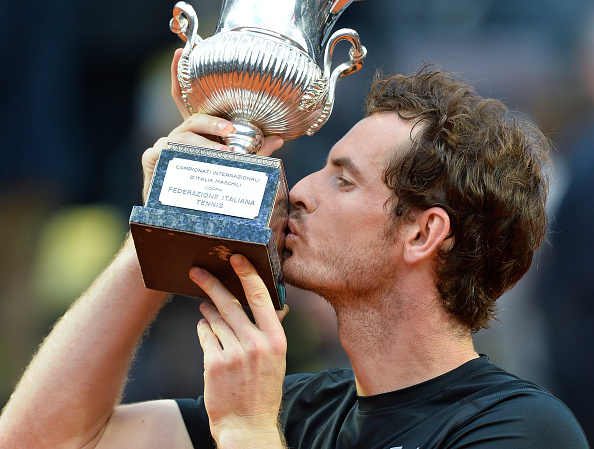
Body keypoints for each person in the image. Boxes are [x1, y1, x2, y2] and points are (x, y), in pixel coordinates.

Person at [0, 50, 588, 449]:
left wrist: (248, 431)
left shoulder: (522, 429)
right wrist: (167, 220)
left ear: (422, 233)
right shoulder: (299, 405)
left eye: (343, 179)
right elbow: (40, 439)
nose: (299, 190)